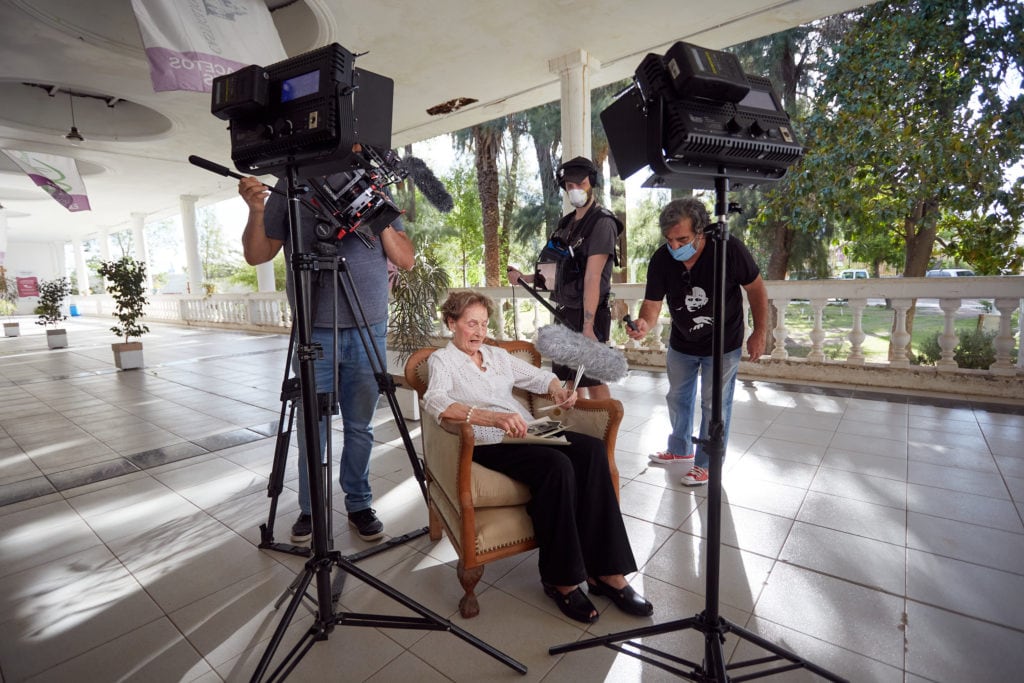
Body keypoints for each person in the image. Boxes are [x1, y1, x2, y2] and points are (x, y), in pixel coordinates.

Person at [422, 290, 653, 624]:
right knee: (556, 467)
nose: (479, 332)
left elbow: (539, 377)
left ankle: (607, 571)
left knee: (591, 452)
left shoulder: (495, 355)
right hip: (491, 439)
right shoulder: (442, 361)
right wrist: (490, 417)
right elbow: (437, 402)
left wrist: (558, 389)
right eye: (471, 324)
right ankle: (561, 579)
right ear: (451, 323)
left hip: (527, 429)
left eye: (484, 324)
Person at [238, 168, 414, 542]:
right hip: (313, 327)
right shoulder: (290, 181)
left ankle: (359, 503)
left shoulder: (370, 182)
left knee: (360, 425)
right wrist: (255, 210)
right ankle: (311, 508)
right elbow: (258, 255)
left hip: (370, 326)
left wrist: (376, 213)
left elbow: (406, 257)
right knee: (310, 427)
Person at [625, 197, 769, 486]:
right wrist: (643, 324)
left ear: (701, 231)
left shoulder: (729, 250)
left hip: (723, 342)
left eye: (683, 239)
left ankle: (706, 463)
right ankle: (680, 449)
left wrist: (760, 332)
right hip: (682, 342)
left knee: (714, 404)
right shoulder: (662, 259)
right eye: (669, 240)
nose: (675, 246)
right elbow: (652, 304)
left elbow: (756, 289)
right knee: (677, 396)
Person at [507, 156, 620, 400]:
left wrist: (588, 327)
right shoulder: (566, 223)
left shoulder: (602, 222)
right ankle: (577, 429)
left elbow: (592, 277)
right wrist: (524, 277)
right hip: (564, 310)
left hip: (588, 312)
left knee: (593, 379)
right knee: (568, 380)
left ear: (592, 182)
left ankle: (604, 431)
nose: (575, 190)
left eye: (580, 184)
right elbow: (556, 270)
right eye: (569, 185)